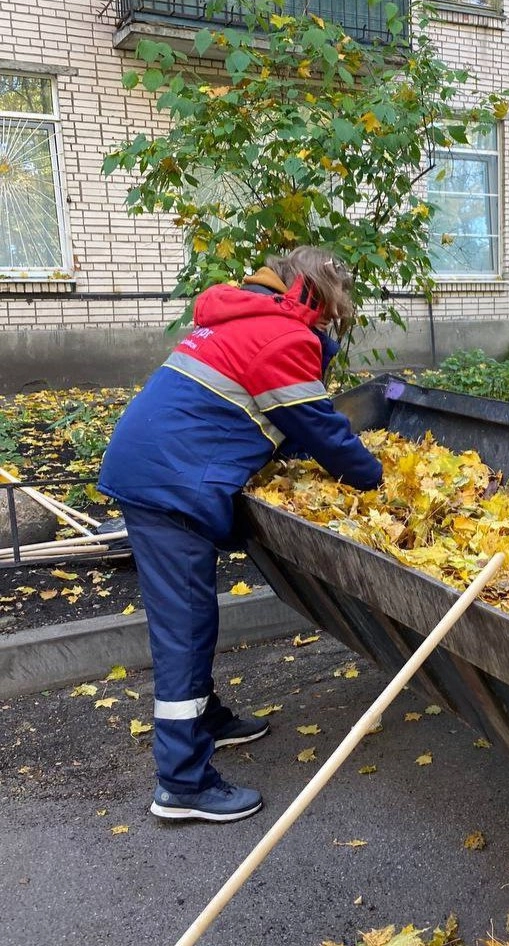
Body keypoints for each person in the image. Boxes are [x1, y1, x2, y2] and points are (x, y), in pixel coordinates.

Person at [98, 247, 382, 823]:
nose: (330, 325)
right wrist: (372, 478)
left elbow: (276, 418)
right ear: (313, 298)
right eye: (331, 314)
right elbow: (320, 429)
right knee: (185, 629)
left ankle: (206, 721)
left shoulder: (245, 318)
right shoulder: (283, 337)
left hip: (157, 469)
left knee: (194, 619)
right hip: (167, 484)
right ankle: (181, 783)